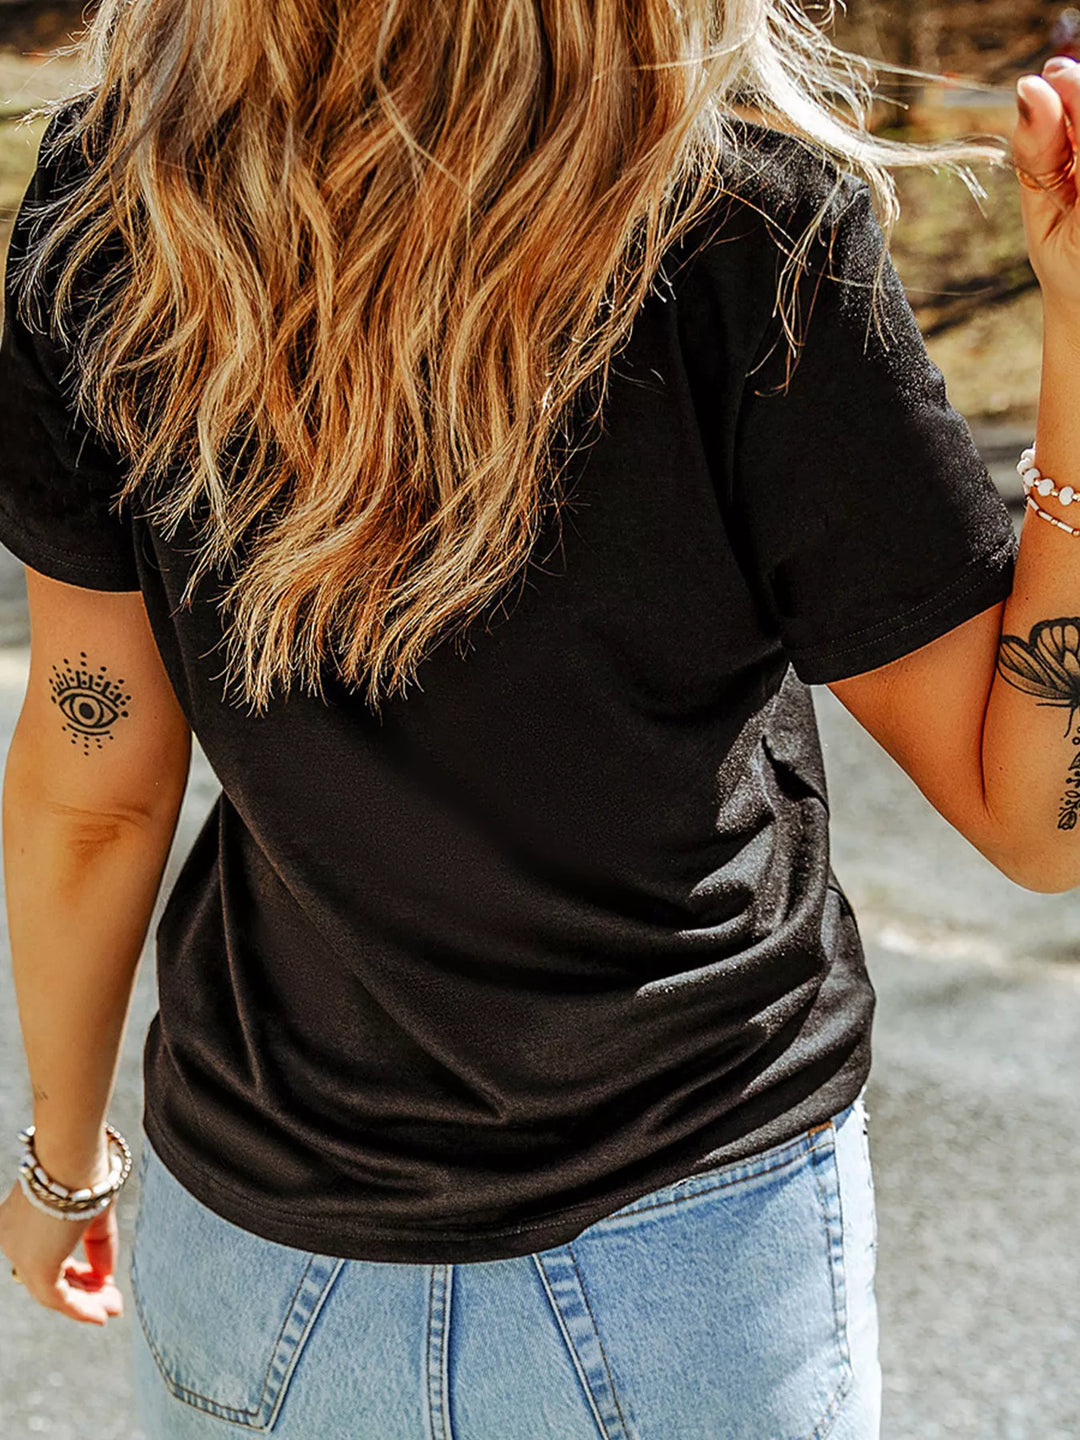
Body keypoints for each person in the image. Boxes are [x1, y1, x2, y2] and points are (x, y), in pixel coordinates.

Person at [0, 0, 1076, 1433]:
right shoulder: (750, 236)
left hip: (260, 1267)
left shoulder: (119, 202)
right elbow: (1039, 816)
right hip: (691, 1276)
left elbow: (96, 792)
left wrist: (61, 1163)